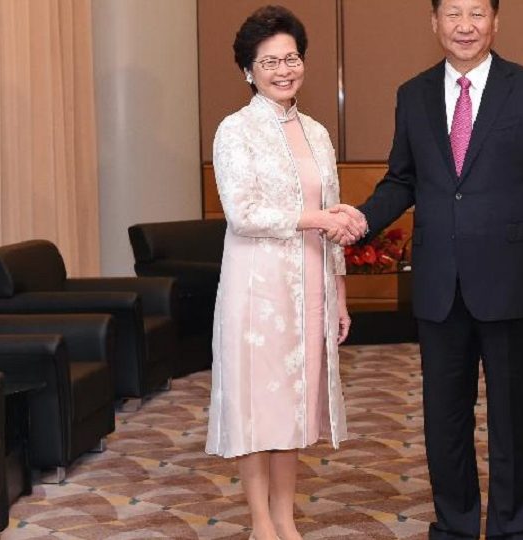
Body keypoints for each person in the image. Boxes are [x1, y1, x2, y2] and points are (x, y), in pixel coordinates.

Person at [338, 0, 523, 537]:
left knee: (514, 417)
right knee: (443, 419)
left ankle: (514, 528)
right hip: (439, 281)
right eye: (452, 14)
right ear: (434, 24)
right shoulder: (413, 93)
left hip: (512, 277)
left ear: (496, 21)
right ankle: (455, 525)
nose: (464, 26)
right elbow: (401, 179)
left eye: (476, 13)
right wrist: (360, 219)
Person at [204, 6, 362, 540]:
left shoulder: (317, 133)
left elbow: (334, 218)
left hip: (310, 286)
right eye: (268, 61)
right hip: (257, 288)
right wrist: (313, 219)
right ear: (248, 70)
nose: (282, 69)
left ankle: (287, 518)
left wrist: (338, 294)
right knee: (257, 406)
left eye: (291, 58)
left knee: (295, 406)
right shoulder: (236, 131)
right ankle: (259, 522)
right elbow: (242, 213)